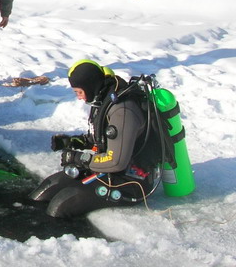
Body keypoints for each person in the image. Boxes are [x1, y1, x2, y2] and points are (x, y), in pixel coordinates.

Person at [29, 60, 163, 218]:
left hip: (132, 181)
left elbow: (116, 161)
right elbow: (100, 138)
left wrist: (79, 159)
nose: (79, 98)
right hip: (106, 169)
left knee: (63, 204)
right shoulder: (103, 98)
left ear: (90, 86)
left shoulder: (122, 111)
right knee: (46, 190)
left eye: (79, 92)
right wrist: (72, 142)